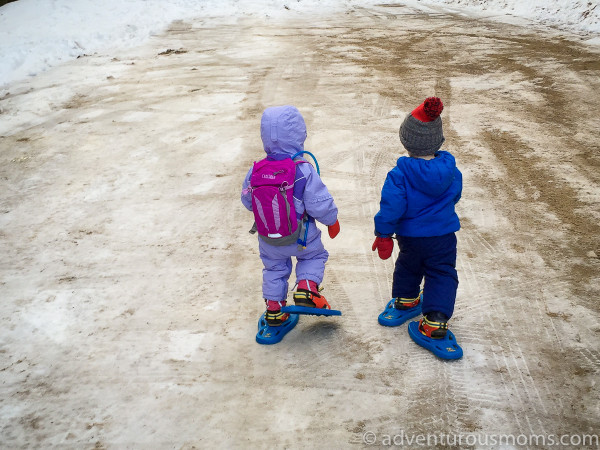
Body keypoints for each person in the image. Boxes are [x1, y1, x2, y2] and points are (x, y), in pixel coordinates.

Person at [372, 97, 463, 359]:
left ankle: (406, 300)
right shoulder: (451, 171)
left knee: (408, 266)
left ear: (406, 140)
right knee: (442, 273)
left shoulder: (399, 175)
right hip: (443, 236)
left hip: (411, 237)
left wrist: (384, 233)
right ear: (439, 139)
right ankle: (435, 321)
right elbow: (455, 195)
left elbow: (392, 207)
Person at [241, 105, 340, 342]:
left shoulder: (256, 169)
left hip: (268, 238)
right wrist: (332, 220)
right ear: (299, 135)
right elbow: (319, 202)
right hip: (301, 236)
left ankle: (274, 311)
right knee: (314, 257)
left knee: (274, 269)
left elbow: (247, 200)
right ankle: (306, 287)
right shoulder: (302, 169)